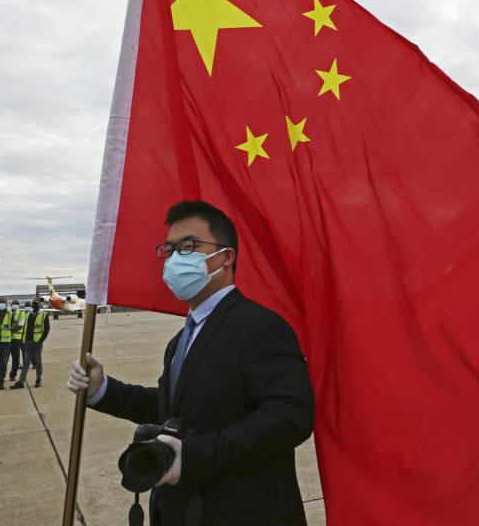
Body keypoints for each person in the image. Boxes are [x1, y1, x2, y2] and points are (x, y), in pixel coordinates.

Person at [67, 200, 315, 525]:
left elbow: (290, 417)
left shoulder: (259, 326)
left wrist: (193, 455)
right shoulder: (182, 338)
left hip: (241, 512)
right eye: (168, 250)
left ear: (225, 257)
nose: (173, 259)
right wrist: (103, 390)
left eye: (187, 247)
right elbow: (174, 408)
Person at [11, 300, 49, 389]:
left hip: (37, 343)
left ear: (40, 305)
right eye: (34, 304)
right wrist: (23, 341)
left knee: (38, 362)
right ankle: (21, 381)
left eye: (37, 304)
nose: (35, 305)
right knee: (26, 363)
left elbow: (46, 329)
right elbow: (23, 328)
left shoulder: (44, 314)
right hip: (28, 342)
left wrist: (41, 340)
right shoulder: (27, 315)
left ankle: (38, 379)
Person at [8, 300, 26, 381]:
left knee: (15, 358)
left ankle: (13, 374)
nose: (15, 305)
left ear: (18, 305)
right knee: (4, 359)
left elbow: (20, 326)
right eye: (13, 304)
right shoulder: (7, 314)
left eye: (16, 304)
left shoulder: (22, 314)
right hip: (6, 339)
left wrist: (9, 330)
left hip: (16, 339)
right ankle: (0, 375)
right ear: (11, 305)